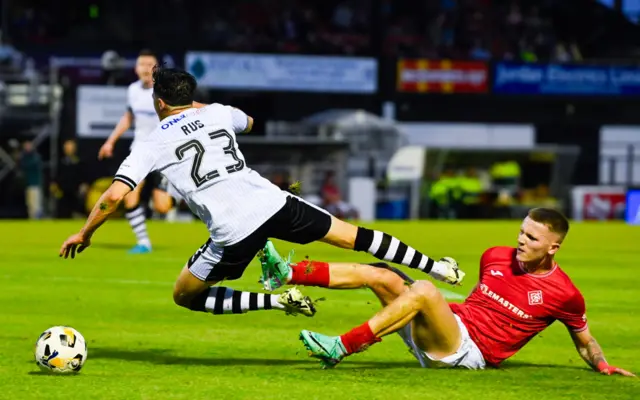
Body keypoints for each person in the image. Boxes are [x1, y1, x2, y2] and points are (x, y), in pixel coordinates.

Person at [59, 65, 464, 325]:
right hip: (275, 202)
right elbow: (249, 122)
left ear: (159, 102)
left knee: (186, 295)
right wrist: (197, 108)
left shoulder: (150, 142)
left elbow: (113, 196)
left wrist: (86, 232)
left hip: (234, 231)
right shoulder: (218, 111)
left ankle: (275, 301)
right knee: (353, 235)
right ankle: (438, 268)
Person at [259, 208, 635, 376]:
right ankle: (288, 273)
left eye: (532, 238)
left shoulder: (565, 294)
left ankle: (340, 347)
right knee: (384, 275)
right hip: (447, 330)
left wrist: (602, 364)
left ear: (553, 247)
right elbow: (480, 305)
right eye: (521, 231)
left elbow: (584, 340)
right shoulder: (496, 256)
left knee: (422, 288)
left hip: (465, 355)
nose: (521, 240)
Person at [97, 49, 174, 254]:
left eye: (150, 64)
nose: (145, 68)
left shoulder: (166, 91)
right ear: (136, 68)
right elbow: (128, 117)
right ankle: (143, 243)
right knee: (128, 196)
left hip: (163, 153)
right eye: (142, 64)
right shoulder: (132, 90)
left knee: (162, 207)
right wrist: (110, 142)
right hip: (139, 151)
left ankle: (176, 193)